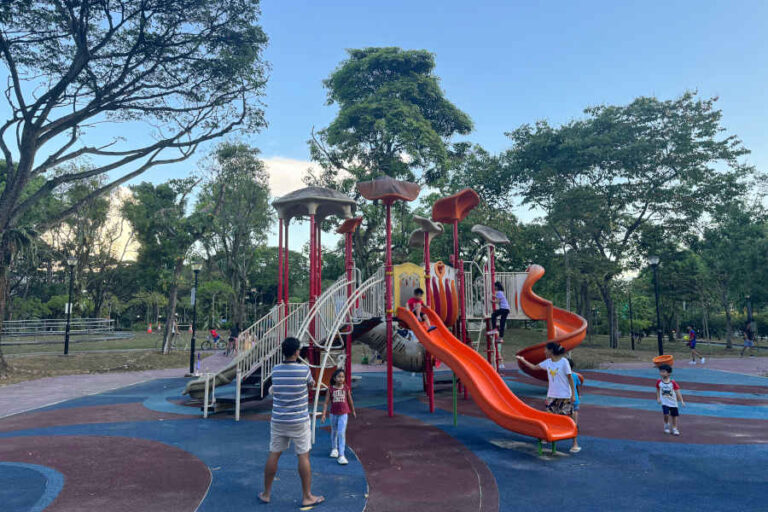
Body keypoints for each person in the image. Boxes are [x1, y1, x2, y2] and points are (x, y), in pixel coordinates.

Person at [259, 337, 324, 507]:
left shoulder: (275, 370)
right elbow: (311, 385)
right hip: (299, 420)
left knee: (274, 453)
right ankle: (307, 496)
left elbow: (275, 389)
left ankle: (266, 493)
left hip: (279, 419)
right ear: (297, 352)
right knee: (303, 455)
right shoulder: (304, 370)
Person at [516, 342, 579, 453]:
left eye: (546, 350)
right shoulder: (548, 362)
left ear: (551, 351)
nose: (544, 352)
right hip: (552, 395)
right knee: (549, 417)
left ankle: (575, 443)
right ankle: (548, 436)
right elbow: (534, 367)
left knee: (568, 419)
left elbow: (570, 379)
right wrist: (522, 360)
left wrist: (573, 395)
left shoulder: (564, 362)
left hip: (564, 395)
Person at [321, 368, 357, 465]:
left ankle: (341, 454)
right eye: (339, 377)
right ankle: (334, 448)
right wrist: (324, 414)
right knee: (334, 431)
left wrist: (353, 410)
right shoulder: (331, 389)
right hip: (333, 414)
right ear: (334, 378)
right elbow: (326, 403)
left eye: (342, 377)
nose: (341, 379)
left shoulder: (346, 388)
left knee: (341, 433)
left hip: (343, 414)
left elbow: (350, 400)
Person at [656, 364, 685, 435]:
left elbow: (678, 392)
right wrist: (658, 398)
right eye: (661, 371)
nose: (661, 373)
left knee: (674, 416)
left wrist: (681, 401)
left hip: (673, 402)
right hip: (665, 402)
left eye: (663, 372)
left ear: (669, 373)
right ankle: (666, 425)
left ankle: (675, 428)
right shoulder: (659, 382)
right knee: (666, 414)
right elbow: (658, 389)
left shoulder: (673, 383)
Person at [568, 359, 582, 453]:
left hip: (567, 399)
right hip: (574, 398)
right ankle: (574, 443)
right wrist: (578, 395)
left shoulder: (566, 375)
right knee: (573, 418)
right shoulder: (575, 375)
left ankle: (575, 442)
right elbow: (577, 387)